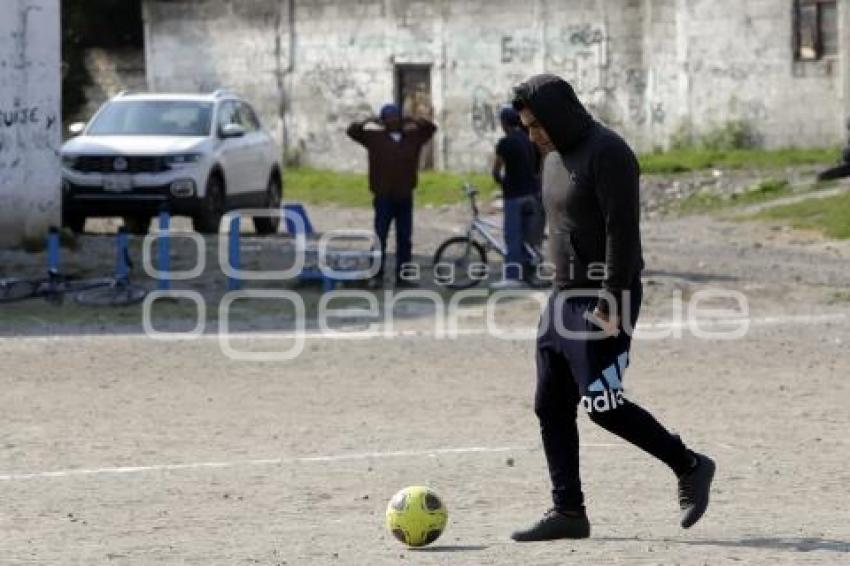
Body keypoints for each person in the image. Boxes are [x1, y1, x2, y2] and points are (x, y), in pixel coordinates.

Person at [508, 74, 715, 542]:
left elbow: (623, 232)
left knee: (602, 405)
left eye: (536, 124)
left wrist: (611, 297)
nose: (531, 134)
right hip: (561, 296)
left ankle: (691, 465)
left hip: (605, 296)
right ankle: (568, 511)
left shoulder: (609, 152)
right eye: (527, 127)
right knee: (550, 405)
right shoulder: (552, 157)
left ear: (557, 115)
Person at [347, 105, 437, 288]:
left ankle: (403, 276)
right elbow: (352, 131)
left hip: (405, 195)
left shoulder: (413, 138)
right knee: (380, 236)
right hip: (383, 196)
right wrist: (368, 121)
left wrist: (412, 119)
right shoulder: (375, 138)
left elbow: (431, 128)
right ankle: (376, 275)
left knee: (405, 238)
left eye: (396, 118)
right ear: (383, 121)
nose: (393, 121)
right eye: (388, 118)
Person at [491, 106, 544, 289]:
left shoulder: (505, 143)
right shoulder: (531, 140)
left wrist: (502, 182)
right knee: (529, 238)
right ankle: (530, 273)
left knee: (513, 237)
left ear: (504, 124)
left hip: (514, 195)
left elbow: (496, 171)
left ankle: (513, 277)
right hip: (533, 194)